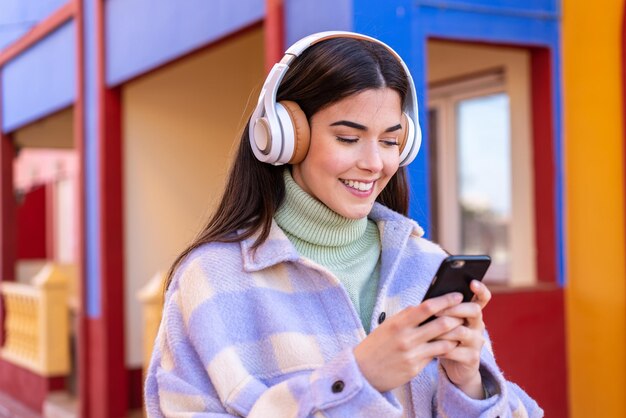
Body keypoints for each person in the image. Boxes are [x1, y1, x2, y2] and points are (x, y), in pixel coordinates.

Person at [144, 31, 543, 417]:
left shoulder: (427, 266)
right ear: (286, 136)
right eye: (349, 139)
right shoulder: (212, 280)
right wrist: (357, 379)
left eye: (390, 142)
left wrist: (469, 386)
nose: (374, 163)